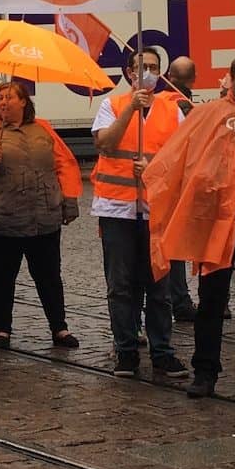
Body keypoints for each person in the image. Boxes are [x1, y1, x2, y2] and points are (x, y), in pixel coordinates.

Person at [145, 49, 235, 399]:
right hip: (216, 222)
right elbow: (188, 156)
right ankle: (205, 371)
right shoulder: (211, 114)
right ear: (232, 78)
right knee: (212, 299)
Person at [0, 80, 81, 351]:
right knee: (2, 276)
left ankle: (59, 328)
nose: (3, 102)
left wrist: (69, 200)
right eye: (0, 98)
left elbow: (65, 164)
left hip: (44, 219)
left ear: (23, 102)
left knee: (49, 276)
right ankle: (2, 328)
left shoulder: (44, 129)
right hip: (3, 220)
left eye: (9, 97)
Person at [91, 50, 188, 380]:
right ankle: (127, 350)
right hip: (116, 208)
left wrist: (155, 169)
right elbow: (104, 143)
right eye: (140, 67)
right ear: (129, 73)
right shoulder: (113, 105)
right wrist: (131, 108)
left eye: (152, 68)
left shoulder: (172, 110)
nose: (146, 72)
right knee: (121, 285)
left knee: (159, 285)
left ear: (160, 73)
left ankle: (162, 352)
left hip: (157, 210)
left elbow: (184, 158)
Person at [163, 55, 201, 322]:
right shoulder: (184, 105)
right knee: (174, 245)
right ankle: (180, 300)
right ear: (193, 80)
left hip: (158, 182)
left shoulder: (156, 103)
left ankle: (169, 298)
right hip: (178, 184)